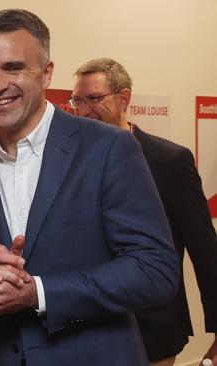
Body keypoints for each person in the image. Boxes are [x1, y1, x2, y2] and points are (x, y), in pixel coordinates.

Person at [0, 9, 179, 366]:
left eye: (13, 67)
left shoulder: (107, 148)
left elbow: (154, 270)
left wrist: (38, 293)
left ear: (46, 73)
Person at [70, 58, 217, 366]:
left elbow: (205, 251)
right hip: (81, 330)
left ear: (123, 98)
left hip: (151, 331)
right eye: (77, 100)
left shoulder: (169, 161)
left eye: (94, 99)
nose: (83, 110)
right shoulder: (67, 162)